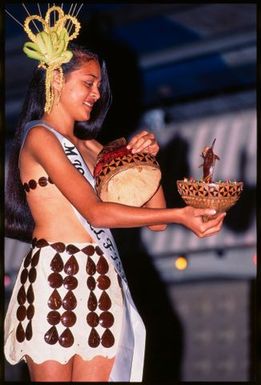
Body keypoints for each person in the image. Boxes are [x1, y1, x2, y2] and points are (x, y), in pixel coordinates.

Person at [4, 5, 226, 383]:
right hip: (54, 273)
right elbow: (97, 213)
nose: (96, 94)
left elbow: (152, 219)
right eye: (88, 83)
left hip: (99, 277)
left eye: (98, 86)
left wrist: (145, 164)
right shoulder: (40, 136)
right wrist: (180, 216)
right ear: (57, 79)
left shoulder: (94, 147)